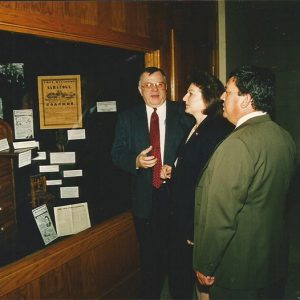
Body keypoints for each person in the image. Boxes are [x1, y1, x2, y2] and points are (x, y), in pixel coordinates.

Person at [193, 65, 296, 299]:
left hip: (239, 266)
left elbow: (220, 215)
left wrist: (206, 263)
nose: (221, 97)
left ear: (246, 99)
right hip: (271, 259)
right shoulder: (283, 136)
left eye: (228, 91)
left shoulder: (238, 144)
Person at [111, 66, 192, 299]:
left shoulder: (184, 113)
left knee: (180, 262)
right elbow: (117, 154)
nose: (154, 89)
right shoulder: (127, 117)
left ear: (166, 87)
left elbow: (195, 152)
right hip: (146, 199)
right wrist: (135, 161)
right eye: (148, 85)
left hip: (177, 198)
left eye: (159, 84)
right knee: (150, 263)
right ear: (140, 89)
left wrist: (176, 168)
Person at [160, 70, 234, 299]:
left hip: (195, 225)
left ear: (208, 99)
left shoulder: (217, 131)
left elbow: (213, 186)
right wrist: (175, 170)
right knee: (183, 281)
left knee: (196, 284)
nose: (183, 97)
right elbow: (194, 168)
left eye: (190, 93)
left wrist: (195, 231)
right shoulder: (195, 126)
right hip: (183, 221)